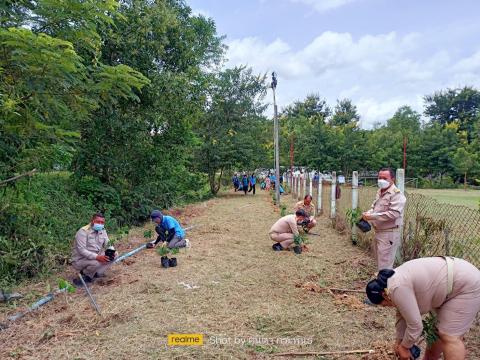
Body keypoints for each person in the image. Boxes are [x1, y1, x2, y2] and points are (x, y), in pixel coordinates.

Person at [366, 257, 480, 360]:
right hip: (452, 283)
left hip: (466, 285)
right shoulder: (390, 282)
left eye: (385, 304)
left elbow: (416, 325)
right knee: (437, 331)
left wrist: (405, 348)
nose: (389, 307)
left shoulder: (396, 288)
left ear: (384, 295)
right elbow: (402, 314)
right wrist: (400, 341)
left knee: (450, 336)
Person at [362, 168, 406, 270]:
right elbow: (375, 206)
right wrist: (369, 212)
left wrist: (372, 216)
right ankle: (382, 282)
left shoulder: (396, 194)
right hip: (378, 231)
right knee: (380, 260)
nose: (381, 180)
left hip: (388, 233)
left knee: (385, 264)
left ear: (392, 179)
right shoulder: (380, 191)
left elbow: (393, 214)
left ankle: (386, 285)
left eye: (385, 178)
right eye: (379, 178)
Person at [71, 213, 112, 286]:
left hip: (95, 257)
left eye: (102, 222)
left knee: (114, 255)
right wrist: (97, 257)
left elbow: (108, 243)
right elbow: (82, 250)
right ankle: (85, 276)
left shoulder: (102, 230)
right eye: (98, 222)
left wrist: (111, 251)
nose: (100, 224)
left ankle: (96, 273)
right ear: (92, 221)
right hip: (80, 260)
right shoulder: (83, 231)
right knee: (96, 262)